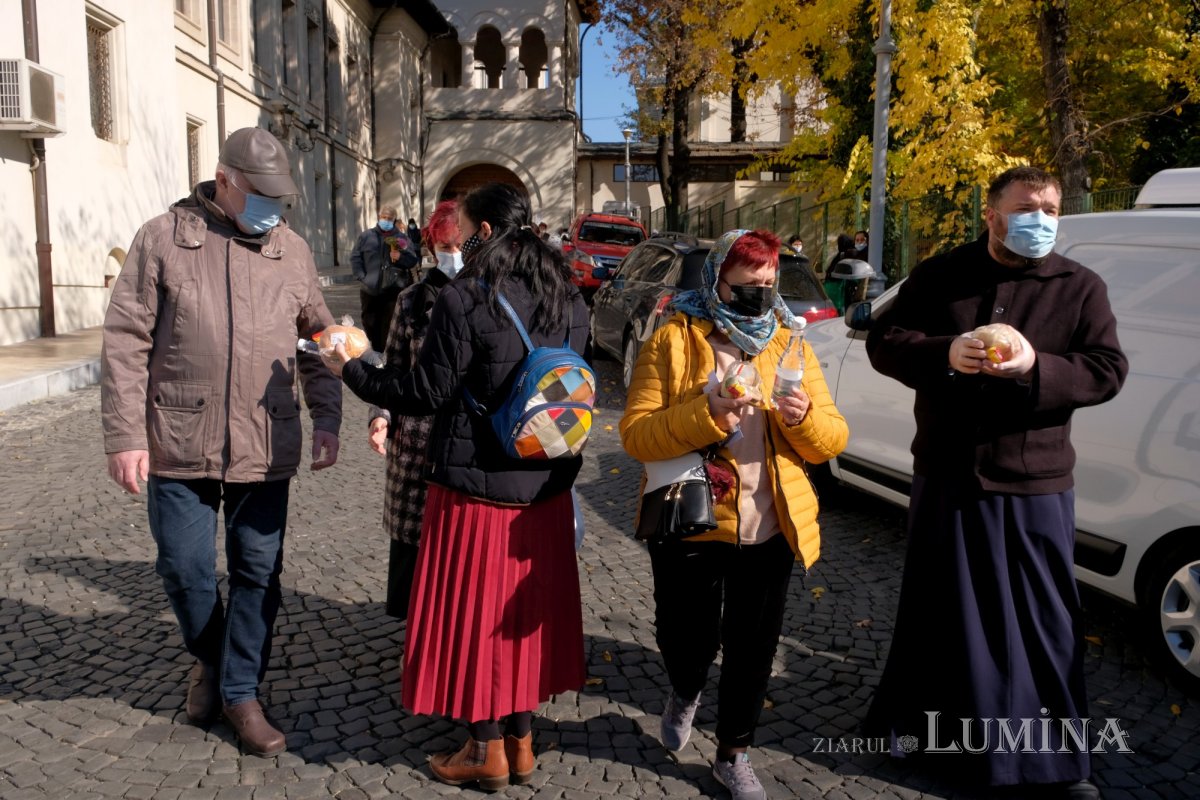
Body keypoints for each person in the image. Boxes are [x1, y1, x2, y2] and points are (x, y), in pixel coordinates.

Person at [863, 166, 1128, 799]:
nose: (1041, 217)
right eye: (1027, 206)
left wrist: (1039, 365)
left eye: (1051, 208)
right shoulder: (939, 274)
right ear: (991, 212)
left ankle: (1058, 762)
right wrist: (943, 353)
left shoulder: (1080, 286)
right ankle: (916, 727)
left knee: (1044, 622)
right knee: (935, 610)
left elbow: (1107, 369)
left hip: (1034, 479)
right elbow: (885, 341)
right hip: (947, 472)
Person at [330, 183, 588, 791]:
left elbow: (421, 395)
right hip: (545, 492)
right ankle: (522, 743)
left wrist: (351, 368)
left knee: (473, 624)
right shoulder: (569, 298)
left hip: (476, 495)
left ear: (487, 232)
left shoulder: (467, 299)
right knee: (525, 618)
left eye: (466, 226)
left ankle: (485, 750)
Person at [101, 127, 342, 757]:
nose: (272, 206)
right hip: (179, 437)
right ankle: (209, 659)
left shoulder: (291, 250)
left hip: (265, 444)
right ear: (224, 178)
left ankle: (239, 690)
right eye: (259, 192)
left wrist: (328, 417)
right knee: (183, 571)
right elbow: (126, 341)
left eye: (279, 195)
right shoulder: (163, 238)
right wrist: (125, 434)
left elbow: (320, 341)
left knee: (258, 572)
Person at [620, 229, 849, 800]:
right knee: (685, 636)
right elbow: (636, 435)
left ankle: (732, 755)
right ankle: (685, 688)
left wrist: (801, 421)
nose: (761, 294)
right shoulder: (674, 338)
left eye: (770, 283)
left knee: (754, 649)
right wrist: (709, 414)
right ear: (717, 277)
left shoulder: (788, 343)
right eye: (748, 284)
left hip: (769, 524)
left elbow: (832, 438)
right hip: (691, 519)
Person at [365, 200, 462, 619]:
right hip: (416, 445)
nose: (453, 252)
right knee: (414, 548)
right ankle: (419, 636)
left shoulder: (490, 297)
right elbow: (394, 367)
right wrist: (381, 416)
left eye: (459, 242)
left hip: (467, 445)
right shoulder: (412, 299)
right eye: (445, 242)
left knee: (459, 552)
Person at [351, 204, 419, 352]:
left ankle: (385, 353)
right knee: (369, 322)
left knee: (389, 324)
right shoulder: (366, 236)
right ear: (379, 217)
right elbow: (356, 258)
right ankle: (374, 350)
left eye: (390, 218)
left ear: (394, 220)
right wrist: (362, 277)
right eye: (384, 218)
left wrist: (400, 257)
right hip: (370, 290)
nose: (386, 221)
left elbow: (413, 259)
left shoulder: (402, 239)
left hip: (393, 290)